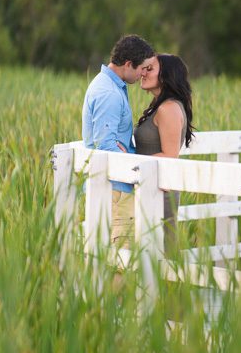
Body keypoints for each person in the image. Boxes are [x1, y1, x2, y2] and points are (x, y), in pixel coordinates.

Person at [82, 34, 155, 248]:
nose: (143, 73)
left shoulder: (108, 85)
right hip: (115, 190)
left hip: (110, 187)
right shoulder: (109, 93)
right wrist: (130, 160)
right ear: (128, 64)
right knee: (121, 259)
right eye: (142, 68)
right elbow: (105, 146)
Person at [134, 54, 195, 256]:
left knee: (161, 255)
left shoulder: (168, 108)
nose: (143, 72)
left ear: (166, 75)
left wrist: (128, 164)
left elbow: (170, 156)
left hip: (161, 192)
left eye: (150, 69)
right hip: (151, 186)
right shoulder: (160, 106)